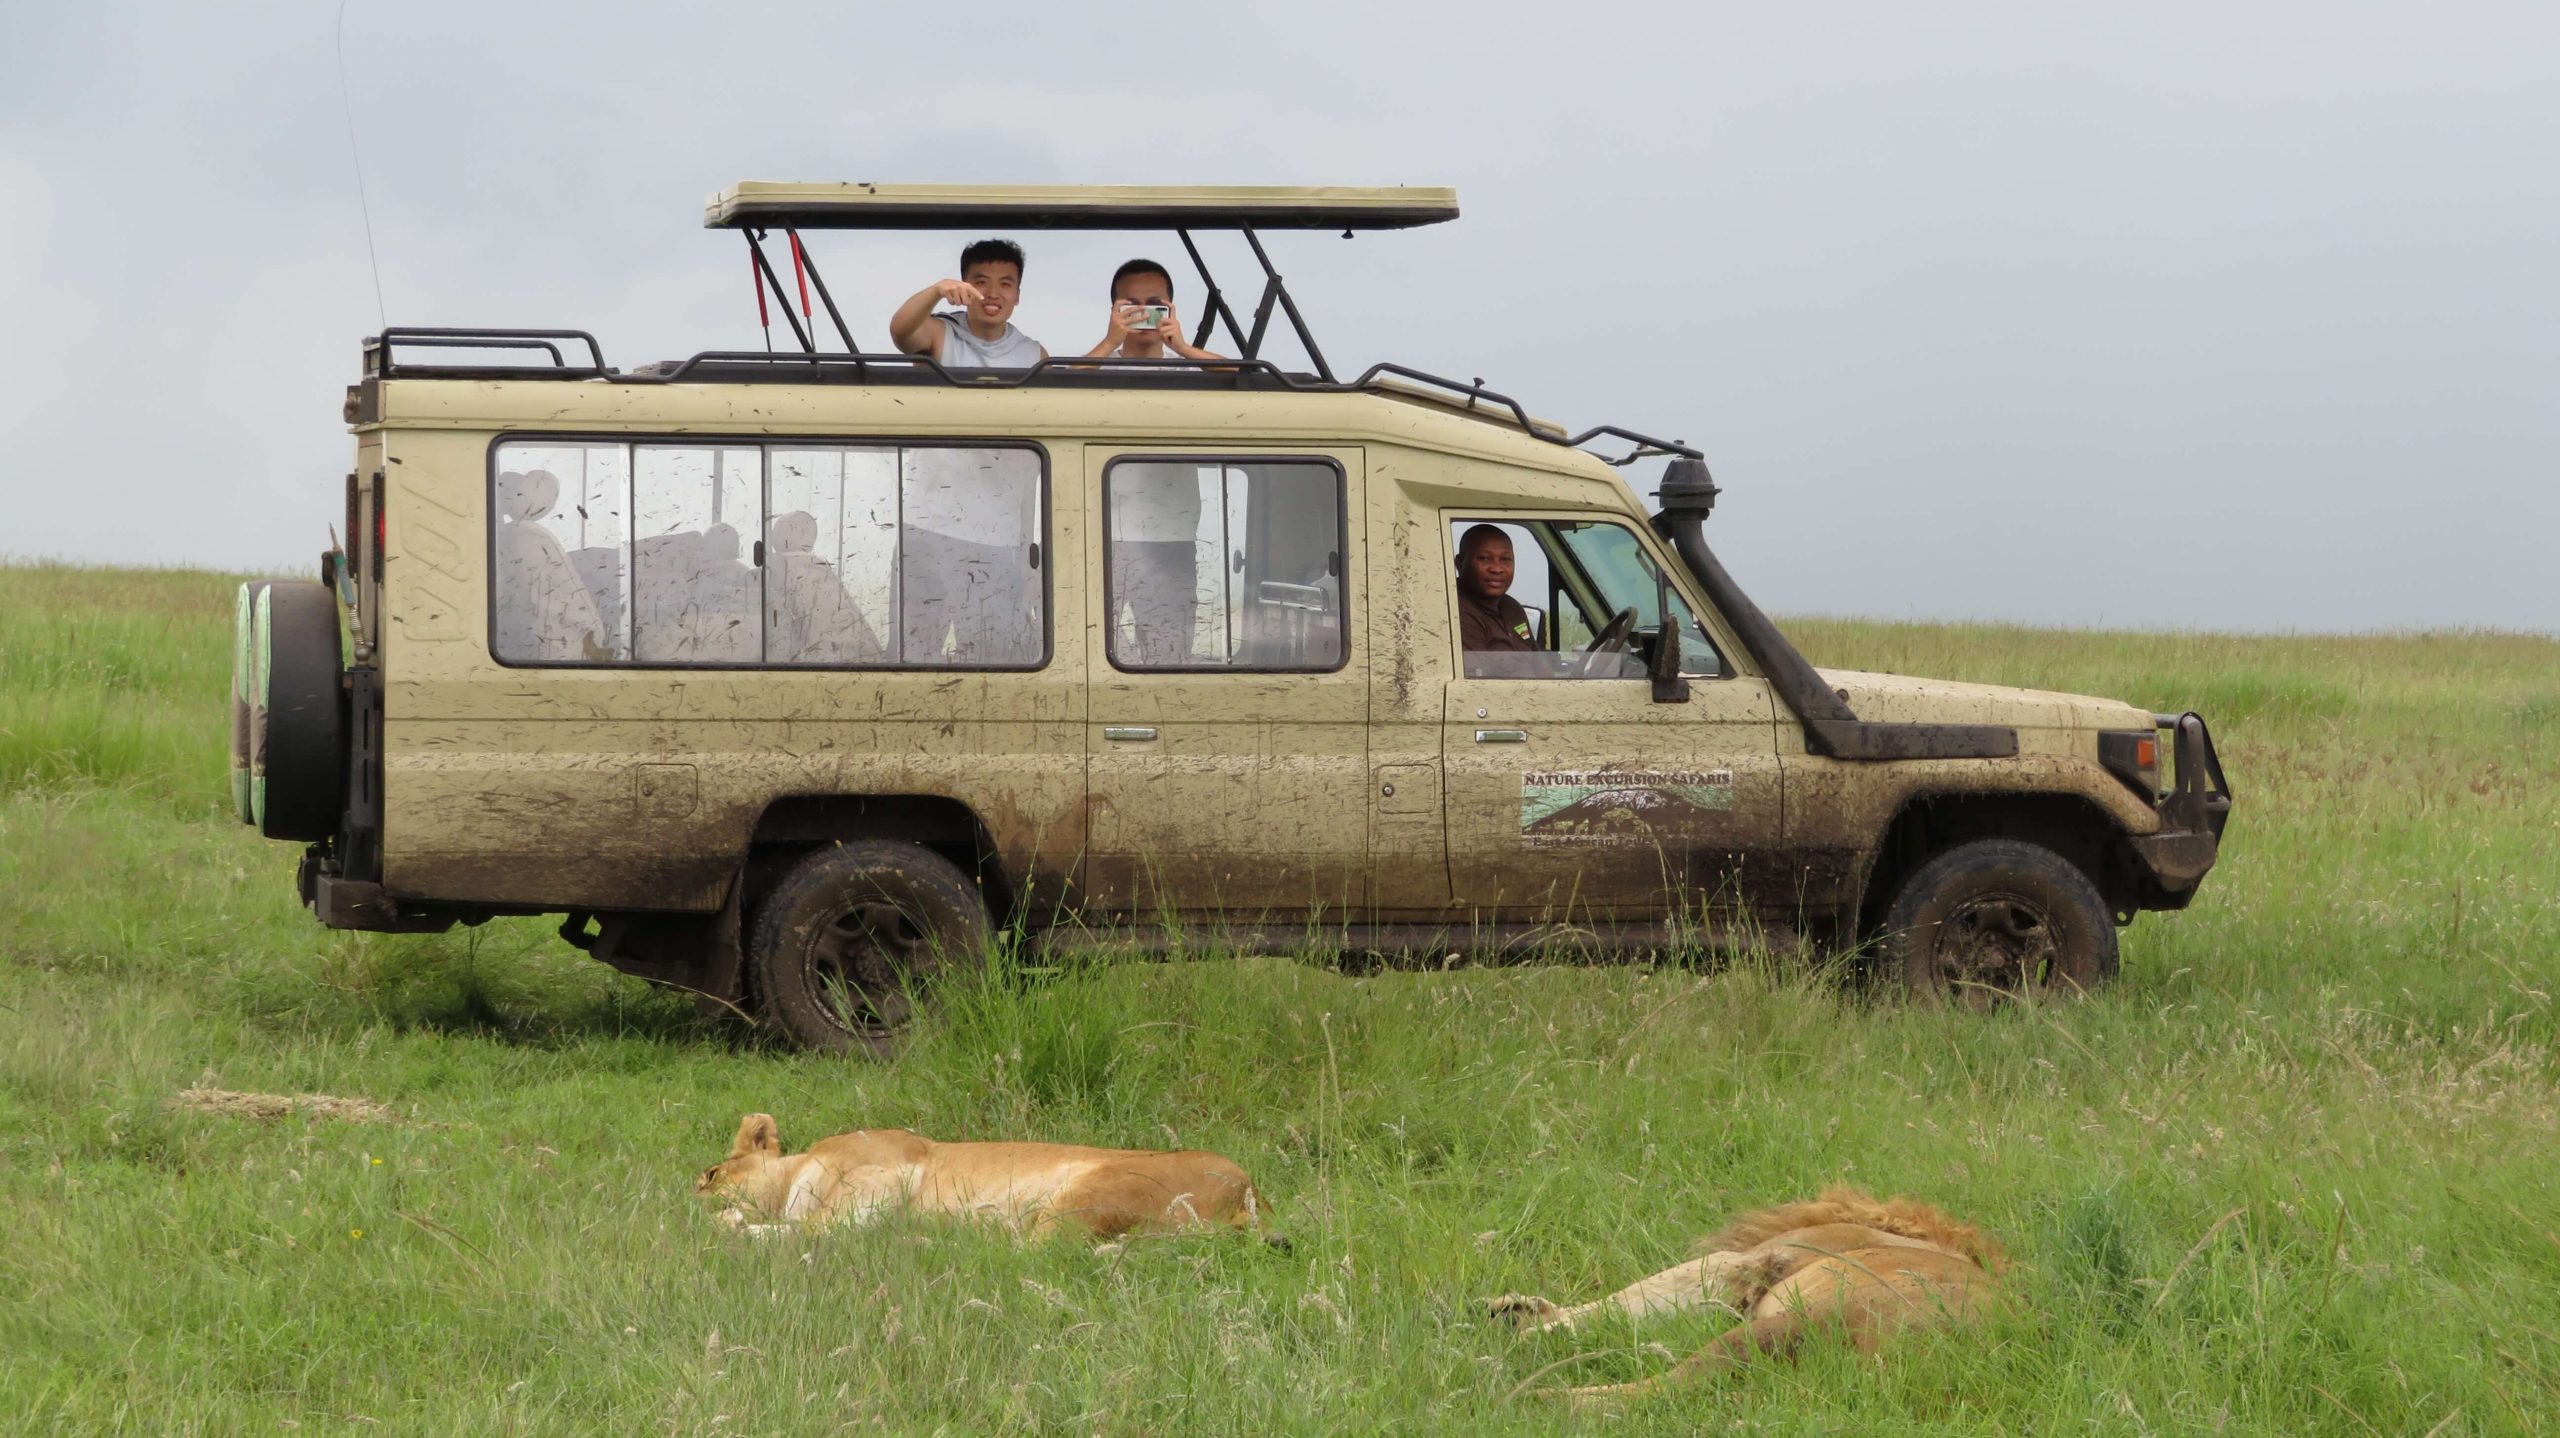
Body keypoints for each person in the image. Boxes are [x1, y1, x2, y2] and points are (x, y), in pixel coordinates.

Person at [888, 239, 1048, 369]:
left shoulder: (1034, 354)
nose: (992, 293)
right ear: (964, 287)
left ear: (1017, 296)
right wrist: (937, 290)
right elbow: (900, 332)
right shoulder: (941, 333)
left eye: (1005, 284)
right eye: (981, 282)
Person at [1083, 258, 1224, 363]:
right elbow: (1064, 383)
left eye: (1154, 305)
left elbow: (1242, 374)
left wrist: (1183, 348)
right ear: (1115, 312)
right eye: (1132, 306)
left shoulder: (1186, 368)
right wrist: (1109, 343)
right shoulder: (1094, 365)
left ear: (1169, 308)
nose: (1144, 314)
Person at [1456, 523, 1540, 676]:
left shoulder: (1512, 607)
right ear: (1460, 563)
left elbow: (1540, 666)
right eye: (1484, 558)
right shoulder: (1455, 609)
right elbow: (1475, 684)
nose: (1497, 568)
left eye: (1505, 559)